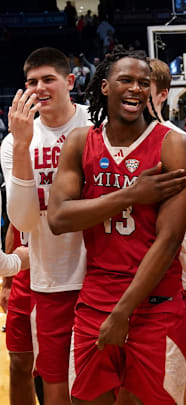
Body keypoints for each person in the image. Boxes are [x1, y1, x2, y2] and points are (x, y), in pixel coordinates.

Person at [47, 48, 186, 404]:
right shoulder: (81, 141)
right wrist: (130, 194)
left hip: (155, 305)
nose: (135, 89)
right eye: (125, 81)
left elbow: (170, 239)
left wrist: (122, 313)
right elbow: (57, 218)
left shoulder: (173, 144)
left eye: (144, 83)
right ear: (104, 87)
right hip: (96, 300)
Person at [1, 47, 92, 405]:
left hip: (101, 272)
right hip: (46, 276)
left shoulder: (96, 124)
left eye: (48, 79)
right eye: (31, 82)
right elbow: (20, 221)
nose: (39, 87)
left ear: (70, 82)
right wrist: (23, 146)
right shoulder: (13, 142)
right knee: (49, 381)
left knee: (102, 384)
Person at [147, 58, 186, 405]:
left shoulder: (182, 141)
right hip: (131, 276)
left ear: (163, 95)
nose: (137, 94)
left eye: (147, 88)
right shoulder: (108, 141)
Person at [1, 224, 34, 405]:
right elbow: (14, 225)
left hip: (64, 282)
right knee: (19, 364)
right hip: (24, 278)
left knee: (59, 373)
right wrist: (7, 282)